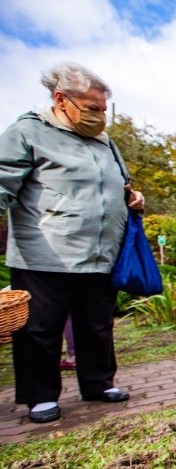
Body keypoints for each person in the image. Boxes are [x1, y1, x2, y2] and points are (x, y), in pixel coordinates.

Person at [0, 62, 144, 423]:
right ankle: (41, 397)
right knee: (40, 328)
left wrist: (132, 197)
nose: (100, 117)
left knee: (96, 323)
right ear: (61, 99)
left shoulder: (104, 142)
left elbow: (119, 183)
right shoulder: (27, 133)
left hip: (100, 251)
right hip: (45, 252)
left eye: (103, 109)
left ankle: (98, 383)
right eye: (92, 108)